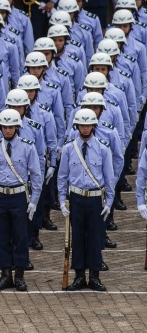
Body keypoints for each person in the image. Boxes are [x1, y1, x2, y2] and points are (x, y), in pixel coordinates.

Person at [0, 109, 43, 291]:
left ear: (17, 127)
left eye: (11, 127)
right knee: (3, 236)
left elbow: (36, 176)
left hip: (18, 196)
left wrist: (34, 201)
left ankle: (20, 275)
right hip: (0, 195)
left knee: (21, 236)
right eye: (4, 127)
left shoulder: (27, 146)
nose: (8, 131)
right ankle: (6, 273)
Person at [58, 109, 115, 291]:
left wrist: (109, 202)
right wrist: (61, 200)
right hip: (76, 197)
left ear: (93, 126)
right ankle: (79, 275)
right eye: (82, 125)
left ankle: (95, 276)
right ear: (77, 126)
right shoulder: (69, 149)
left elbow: (109, 177)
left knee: (95, 237)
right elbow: (62, 176)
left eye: (88, 125)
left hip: (94, 198)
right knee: (78, 237)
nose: (84, 128)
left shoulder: (103, 148)